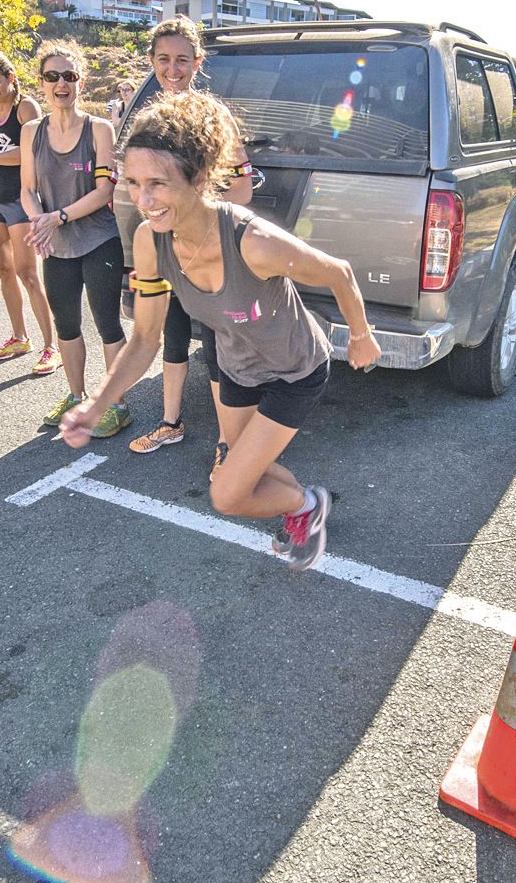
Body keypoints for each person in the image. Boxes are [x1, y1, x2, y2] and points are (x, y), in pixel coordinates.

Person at [61, 92, 381, 571]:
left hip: (294, 369)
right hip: (237, 367)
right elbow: (146, 338)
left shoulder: (253, 242)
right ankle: (307, 505)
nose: (143, 201)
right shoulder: (150, 241)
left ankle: (304, 508)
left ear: (196, 178)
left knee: (228, 493)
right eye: (133, 183)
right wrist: (96, 404)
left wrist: (360, 335)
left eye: (158, 184)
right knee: (247, 468)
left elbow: (340, 272)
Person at [126, 16, 259, 457]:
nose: (173, 69)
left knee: (217, 342)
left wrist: (216, 228)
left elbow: (242, 183)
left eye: (182, 59)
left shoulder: (213, 116)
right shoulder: (147, 119)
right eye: (163, 59)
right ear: (152, 62)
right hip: (164, 247)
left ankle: (228, 443)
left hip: (207, 249)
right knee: (174, 331)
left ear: (197, 62)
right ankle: (170, 423)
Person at [20, 42, 131, 436]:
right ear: (42, 83)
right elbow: (27, 190)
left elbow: (104, 192)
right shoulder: (31, 132)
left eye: (69, 76)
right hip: (56, 246)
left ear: (80, 81)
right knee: (65, 324)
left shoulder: (99, 129)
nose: (61, 84)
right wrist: (40, 222)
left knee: (107, 323)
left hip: (99, 239)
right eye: (53, 77)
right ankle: (75, 394)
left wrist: (58, 217)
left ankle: (116, 402)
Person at [0, 51, 57, 372]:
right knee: (4, 270)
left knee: (29, 274)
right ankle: (19, 336)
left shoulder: (26, 107)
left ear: (11, 79)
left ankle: (52, 346)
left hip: (20, 200)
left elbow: (28, 153)